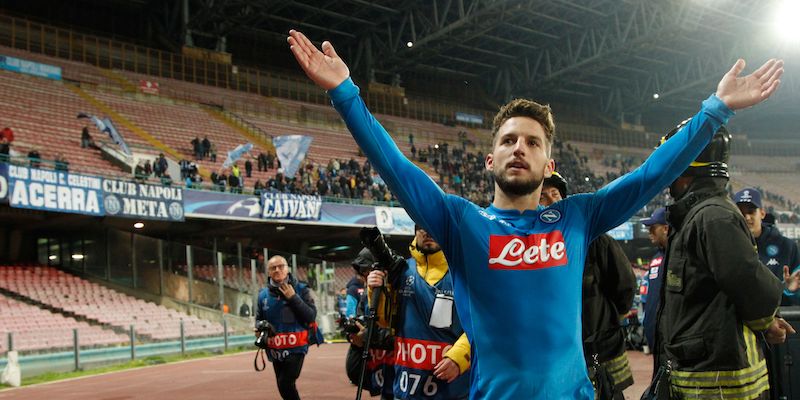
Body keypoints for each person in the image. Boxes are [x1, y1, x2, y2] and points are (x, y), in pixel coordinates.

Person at [288, 28, 783, 398]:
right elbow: (396, 168)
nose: (518, 148)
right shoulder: (461, 225)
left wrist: (715, 111)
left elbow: (651, 174)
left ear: (549, 163)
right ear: (490, 159)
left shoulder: (577, 216)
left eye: (532, 142)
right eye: (508, 140)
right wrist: (345, 94)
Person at [653, 123, 792, 399]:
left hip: (719, 385)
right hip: (703, 377)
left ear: (685, 166)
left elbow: (747, 280)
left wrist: (767, 321)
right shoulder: (699, 215)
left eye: (670, 161)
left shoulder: (713, 216)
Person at [540, 172, 636, 399]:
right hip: (556, 356)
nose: (552, 200)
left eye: (555, 194)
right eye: (542, 196)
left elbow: (624, 285)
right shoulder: (530, 248)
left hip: (601, 352)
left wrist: (606, 320)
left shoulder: (595, 240)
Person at [367, 226, 470, 399]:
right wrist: (374, 290)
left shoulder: (466, 273)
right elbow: (385, 321)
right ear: (415, 232)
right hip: (405, 388)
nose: (428, 231)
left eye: (433, 225)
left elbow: (482, 325)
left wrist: (460, 358)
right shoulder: (401, 270)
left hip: (452, 390)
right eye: (422, 227)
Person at [256, 255, 317, 400]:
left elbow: (311, 316)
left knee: (286, 383)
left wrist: (293, 298)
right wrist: (259, 327)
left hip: (297, 347)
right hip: (275, 349)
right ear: (268, 272)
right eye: (273, 268)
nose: (277, 270)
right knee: (282, 384)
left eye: (281, 266)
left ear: (287, 269)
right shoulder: (262, 295)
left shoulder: (302, 289)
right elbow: (259, 319)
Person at [733, 187, 800, 305]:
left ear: (762, 213)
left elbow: (796, 292)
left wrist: (789, 291)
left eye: (751, 211)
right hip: (740, 319)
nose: (747, 217)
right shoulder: (727, 246)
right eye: (741, 213)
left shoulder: (787, 247)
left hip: (781, 318)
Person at [639, 207, 668, 354]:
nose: (649, 232)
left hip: (669, 341)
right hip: (655, 339)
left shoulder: (678, 256)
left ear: (665, 228)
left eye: (653, 228)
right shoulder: (656, 257)